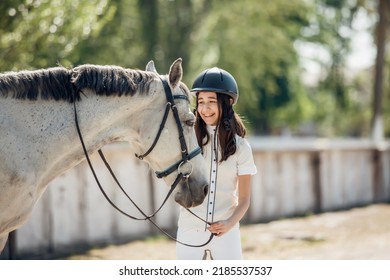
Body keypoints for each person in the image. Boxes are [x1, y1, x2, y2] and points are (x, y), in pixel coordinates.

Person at [176, 67, 257, 260]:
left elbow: (244, 199)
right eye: (201, 102)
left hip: (227, 231)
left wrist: (229, 224)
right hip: (189, 229)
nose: (204, 109)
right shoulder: (188, 142)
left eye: (211, 102)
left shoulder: (241, 147)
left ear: (227, 103)